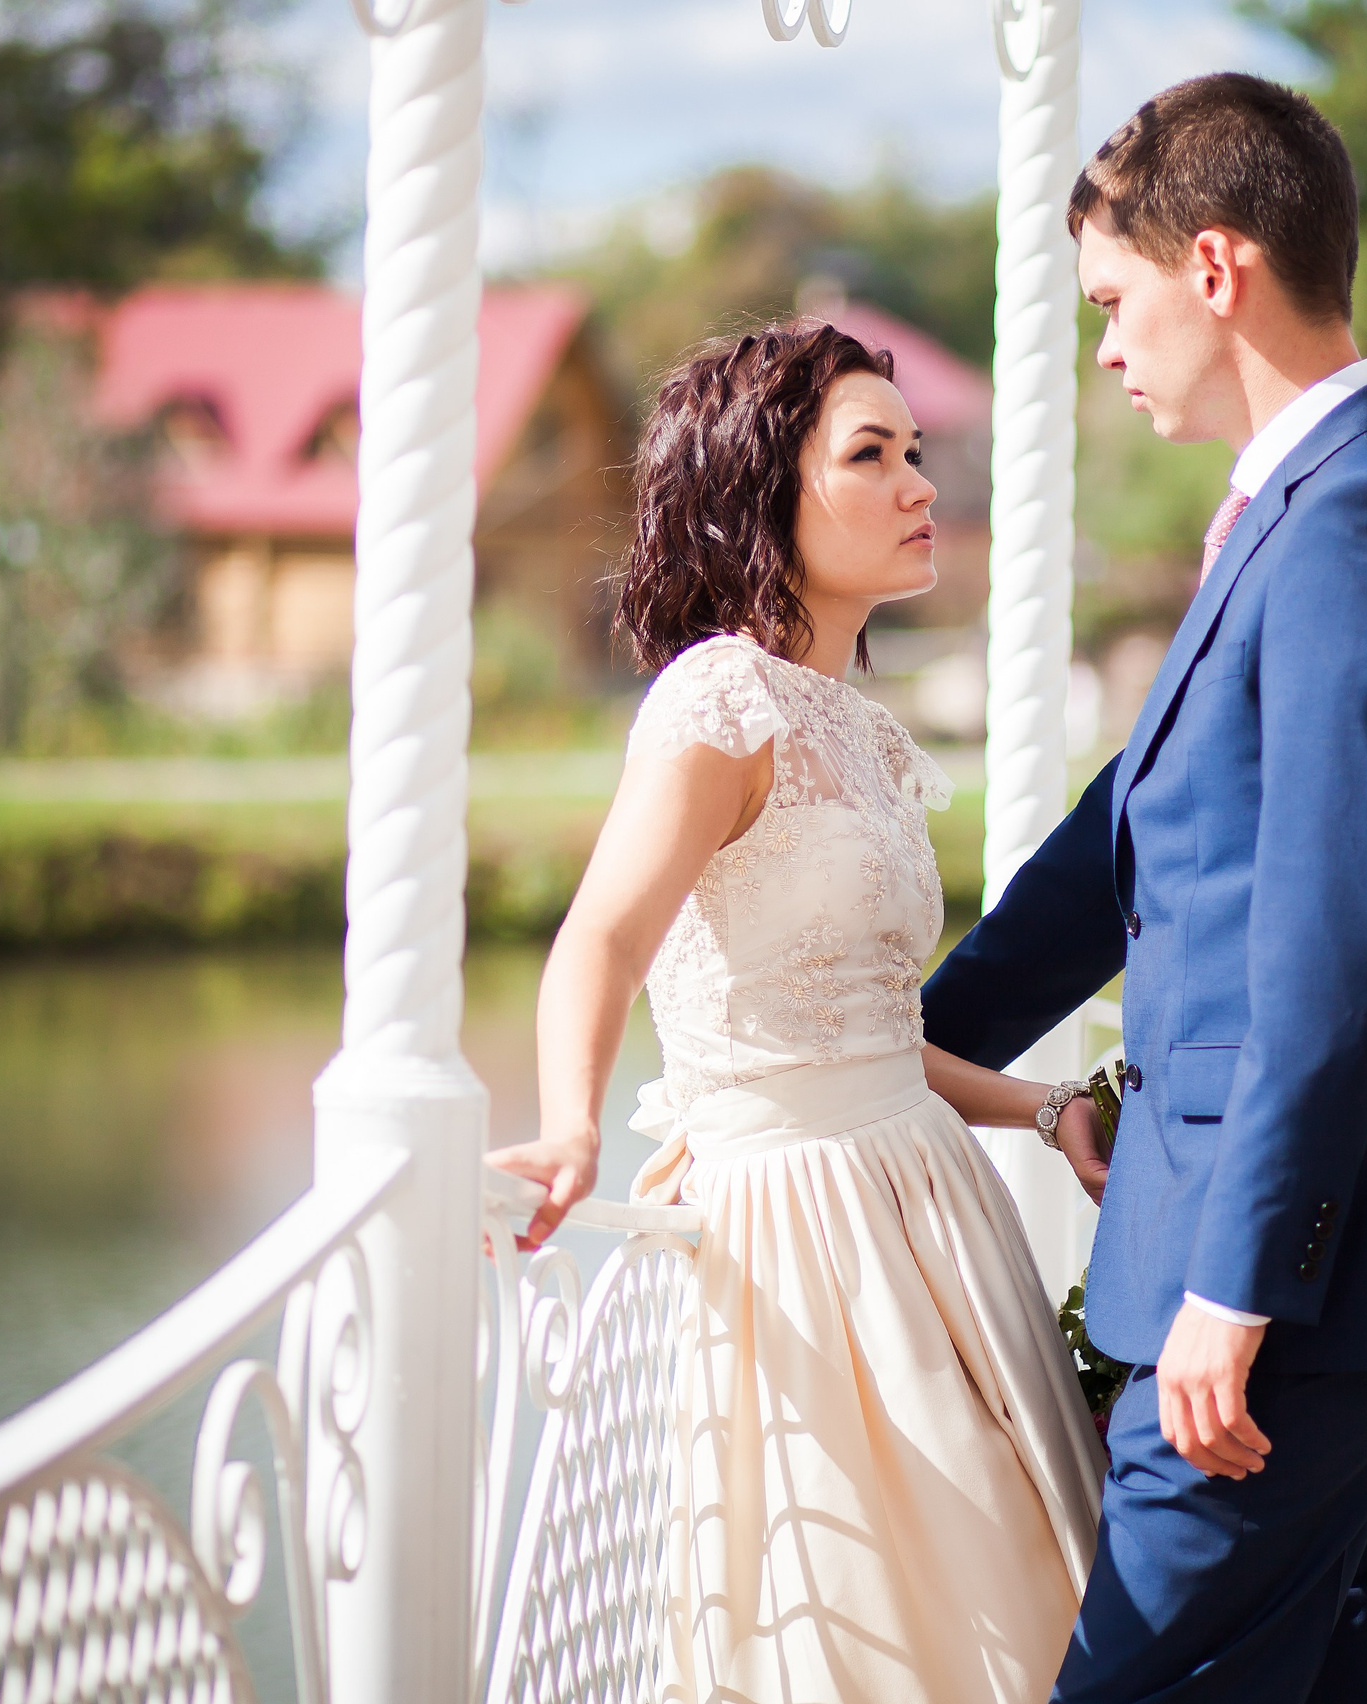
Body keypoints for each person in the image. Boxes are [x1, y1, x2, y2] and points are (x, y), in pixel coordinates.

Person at [920, 74, 1367, 1702]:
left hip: (1285, 1304)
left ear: (1215, 268)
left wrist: (1237, 1281)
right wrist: (899, 1027)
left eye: (1112, 302)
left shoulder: (1362, 529)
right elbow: (1137, 831)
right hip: (1318, 1287)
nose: (1103, 349)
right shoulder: (1309, 515)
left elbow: (1341, 948)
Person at [486, 320, 1109, 1704]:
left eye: (917, 453)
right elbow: (599, 940)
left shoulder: (867, 730)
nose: (917, 486)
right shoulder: (718, 700)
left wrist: (1045, 1108)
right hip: (804, 1236)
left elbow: (871, 1033)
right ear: (765, 488)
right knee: (894, 1628)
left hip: (930, 1206)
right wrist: (570, 1127)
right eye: (870, 455)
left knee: (1031, 1608)